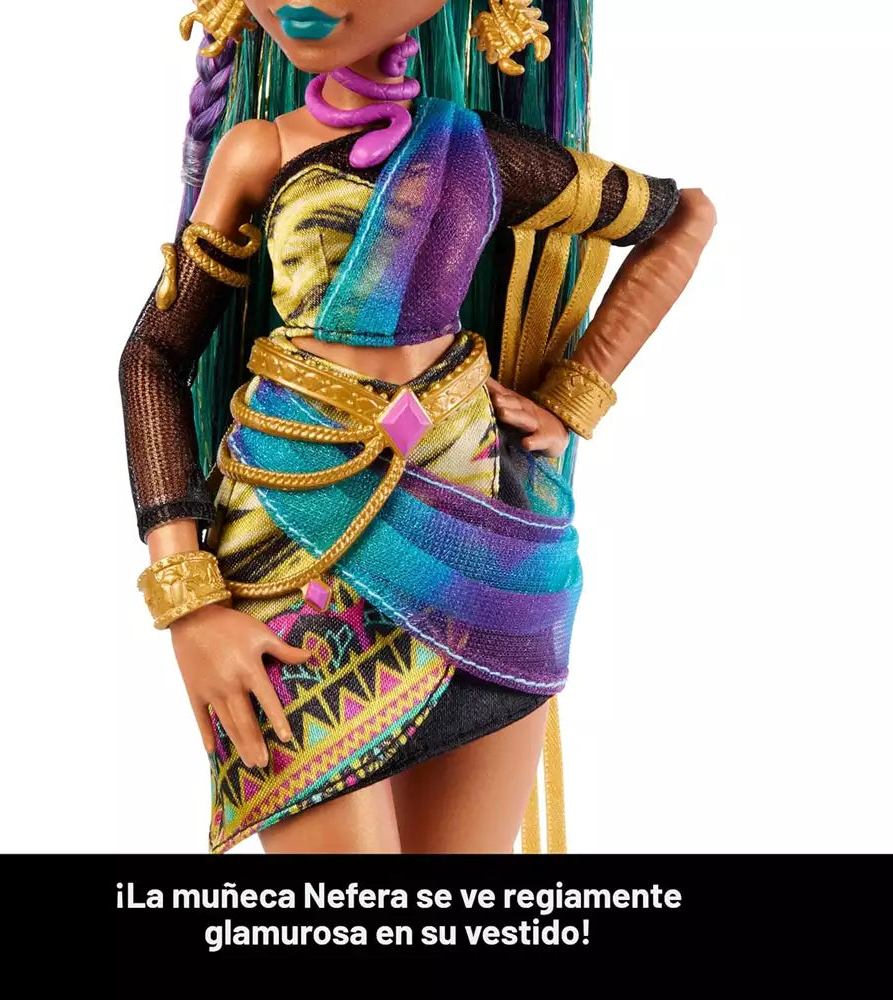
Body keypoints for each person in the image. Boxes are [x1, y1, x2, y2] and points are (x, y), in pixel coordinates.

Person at [119, 0, 717, 855]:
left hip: (486, 553)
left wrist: (578, 395)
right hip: (293, 537)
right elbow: (152, 356)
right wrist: (188, 599)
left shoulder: (478, 151)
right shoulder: (259, 152)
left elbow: (684, 216)